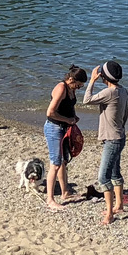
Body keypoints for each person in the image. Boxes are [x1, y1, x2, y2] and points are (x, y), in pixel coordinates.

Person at [83, 60, 128, 225]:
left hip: (112, 139)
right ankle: (119, 205)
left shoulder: (108, 92)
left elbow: (86, 100)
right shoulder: (123, 91)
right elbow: (126, 114)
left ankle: (110, 214)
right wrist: (120, 127)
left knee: (103, 178)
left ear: (105, 77)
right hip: (120, 136)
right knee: (115, 173)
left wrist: (92, 80)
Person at [43, 65, 87, 211]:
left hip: (64, 128)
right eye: (78, 85)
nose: (78, 88)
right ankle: (50, 200)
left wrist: (72, 117)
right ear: (70, 79)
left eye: (81, 86)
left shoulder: (70, 89)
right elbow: (50, 112)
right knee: (55, 164)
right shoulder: (61, 88)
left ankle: (65, 192)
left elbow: (68, 106)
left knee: (63, 162)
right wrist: (67, 120)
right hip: (54, 128)